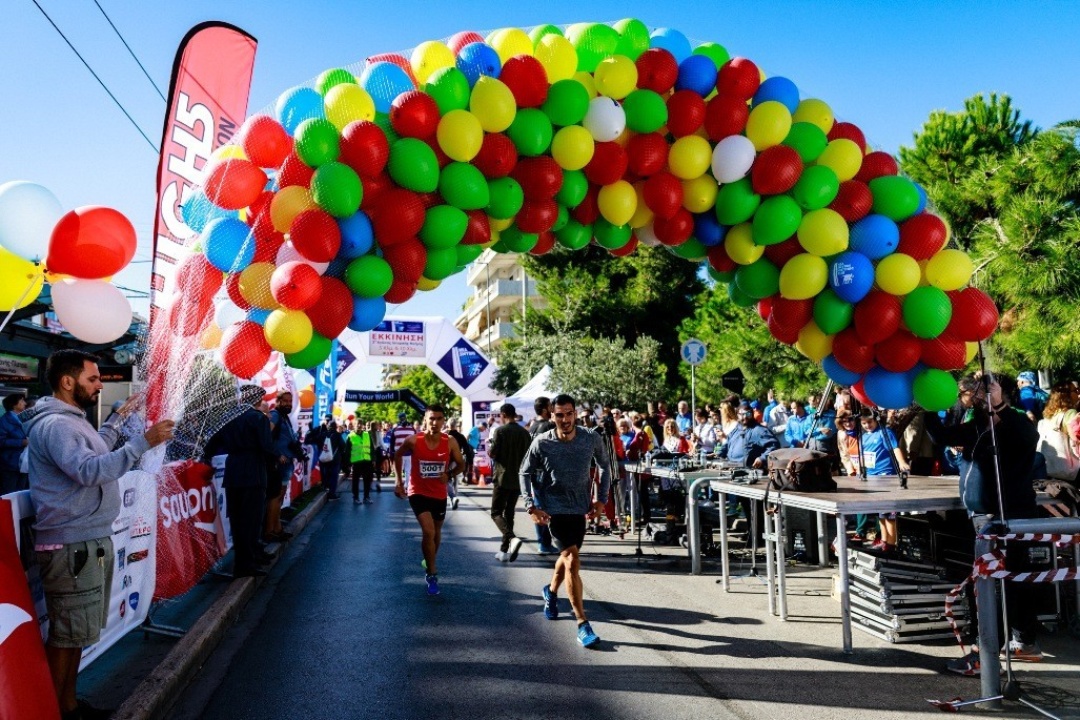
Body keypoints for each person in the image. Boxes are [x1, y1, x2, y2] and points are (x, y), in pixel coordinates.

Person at [23, 350, 174, 720]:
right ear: (67, 381)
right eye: (92, 379)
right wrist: (142, 442)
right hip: (73, 544)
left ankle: (69, 705)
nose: (98, 385)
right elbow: (90, 470)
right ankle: (56, 709)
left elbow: (98, 449)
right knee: (66, 634)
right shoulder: (57, 426)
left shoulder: (72, 422)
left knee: (75, 634)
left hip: (83, 542)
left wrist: (117, 420)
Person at [924, 374, 1044, 674]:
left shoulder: (1013, 419)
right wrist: (926, 406)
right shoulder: (977, 424)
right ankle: (1022, 640)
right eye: (971, 391)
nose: (974, 395)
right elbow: (942, 436)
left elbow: (1029, 437)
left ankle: (985, 655)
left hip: (1004, 515)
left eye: (981, 389)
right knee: (1007, 581)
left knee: (999, 584)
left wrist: (1000, 404)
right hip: (983, 515)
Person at [520, 393, 611, 648]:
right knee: (572, 560)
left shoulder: (590, 438)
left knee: (567, 557)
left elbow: (605, 466)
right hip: (554, 509)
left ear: (575, 414)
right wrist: (531, 506)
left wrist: (601, 500)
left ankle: (550, 591)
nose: (565, 419)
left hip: (579, 508)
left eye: (569, 414)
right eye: (559, 415)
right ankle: (582, 624)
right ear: (552, 415)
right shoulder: (541, 442)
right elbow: (524, 471)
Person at [203, 385, 277, 577]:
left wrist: (206, 459)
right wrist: (274, 464)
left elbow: (211, 442)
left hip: (233, 471)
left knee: (237, 521)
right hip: (254, 472)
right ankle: (247, 564)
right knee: (251, 521)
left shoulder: (228, 417)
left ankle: (242, 562)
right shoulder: (258, 418)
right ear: (258, 400)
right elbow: (267, 447)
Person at [394, 405, 464, 596]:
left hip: (439, 494)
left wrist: (448, 474)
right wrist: (399, 481)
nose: (435, 423)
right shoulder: (413, 440)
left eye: (439, 419)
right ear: (425, 419)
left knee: (436, 533)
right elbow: (397, 455)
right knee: (428, 531)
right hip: (417, 492)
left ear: (444, 420)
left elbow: (461, 464)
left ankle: (429, 558)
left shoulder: (449, 441)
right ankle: (432, 574)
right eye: (431, 418)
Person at [856, 408, 910, 552]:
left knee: (889, 512)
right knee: (880, 511)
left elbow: (895, 448)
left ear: (876, 420)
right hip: (872, 477)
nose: (867, 425)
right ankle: (884, 539)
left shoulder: (884, 432)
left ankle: (892, 543)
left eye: (870, 422)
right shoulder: (863, 436)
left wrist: (902, 462)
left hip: (886, 475)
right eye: (864, 423)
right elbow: (862, 455)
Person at [488, 402, 533, 561]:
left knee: (496, 512)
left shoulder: (500, 431)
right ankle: (504, 550)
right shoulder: (524, 432)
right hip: (518, 478)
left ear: (503, 415)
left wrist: (490, 448)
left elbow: (493, 453)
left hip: (502, 477)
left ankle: (512, 539)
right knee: (510, 513)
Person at [266, 391, 300, 543]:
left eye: (290, 401)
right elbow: (265, 436)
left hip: (287, 463)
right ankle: (269, 531)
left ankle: (277, 528)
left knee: (280, 497)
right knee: (275, 497)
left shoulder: (285, 418)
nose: (288, 403)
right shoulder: (274, 415)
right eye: (285, 401)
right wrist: (277, 454)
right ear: (278, 401)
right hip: (278, 464)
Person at [529, 397, 558, 555]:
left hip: (535, 473)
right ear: (546, 408)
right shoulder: (549, 426)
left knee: (540, 507)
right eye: (550, 406)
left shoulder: (532, 427)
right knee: (549, 508)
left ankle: (544, 542)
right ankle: (545, 543)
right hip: (547, 473)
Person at [1, 392, 29, 494]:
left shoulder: (24, 418)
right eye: (21, 401)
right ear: (14, 404)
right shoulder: (4, 421)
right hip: (10, 464)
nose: (24, 403)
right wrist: (21, 442)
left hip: (24, 464)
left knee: (21, 495)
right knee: (9, 495)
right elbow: (2, 441)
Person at [346, 418, 377, 504]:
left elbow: (372, 448)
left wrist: (373, 459)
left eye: (360, 424)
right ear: (354, 425)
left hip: (367, 462)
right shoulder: (350, 436)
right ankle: (356, 497)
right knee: (355, 481)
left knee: (367, 480)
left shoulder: (367, 434)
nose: (359, 425)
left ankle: (366, 497)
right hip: (356, 463)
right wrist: (348, 464)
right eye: (357, 424)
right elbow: (347, 451)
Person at [446, 418, 472, 509]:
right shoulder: (461, 436)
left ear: (448, 425)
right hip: (457, 460)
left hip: (446, 461)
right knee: (455, 479)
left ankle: (449, 498)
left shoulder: (444, 435)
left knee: (446, 478)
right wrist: (467, 459)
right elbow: (467, 449)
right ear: (456, 425)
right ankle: (454, 496)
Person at [389, 411, 417, 490]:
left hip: (408, 454)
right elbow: (392, 443)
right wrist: (391, 454)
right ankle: (399, 486)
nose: (403, 419)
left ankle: (407, 487)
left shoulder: (412, 429)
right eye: (401, 418)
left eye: (403, 417)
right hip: (399, 455)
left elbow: (416, 442)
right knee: (400, 472)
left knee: (408, 472)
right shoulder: (395, 430)